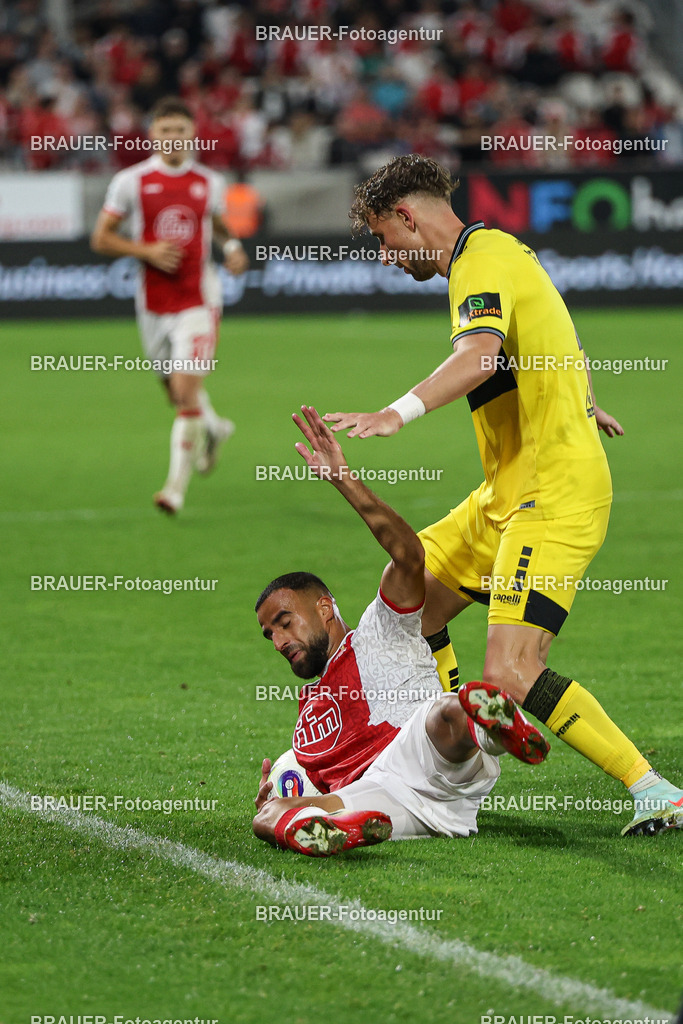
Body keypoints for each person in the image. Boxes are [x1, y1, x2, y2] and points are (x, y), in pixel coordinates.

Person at [323, 154, 682, 838]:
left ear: (406, 215)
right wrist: (582, 398)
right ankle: (456, 725)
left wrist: (396, 412)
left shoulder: (479, 263)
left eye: (382, 238)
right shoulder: (497, 253)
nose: (384, 256)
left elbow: (480, 355)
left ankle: (654, 789)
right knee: (411, 598)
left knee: (513, 670)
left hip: (552, 495)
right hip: (504, 493)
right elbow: (554, 329)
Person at [252, 406, 550, 858]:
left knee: (445, 714)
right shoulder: (307, 717)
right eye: (269, 635)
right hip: (385, 796)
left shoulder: (381, 627)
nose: (278, 642)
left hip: (426, 755)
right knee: (265, 818)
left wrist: (343, 479)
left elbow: (409, 557)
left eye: (284, 622)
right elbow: (303, 778)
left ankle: (495, 728)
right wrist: (276, 797)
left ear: (325, 607)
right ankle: (334, 829)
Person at [91, 96, 249, 514]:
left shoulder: (209, 182)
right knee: (175, 394)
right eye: (165, 130)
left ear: (192, 134)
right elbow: (101, 237)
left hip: (198, 301)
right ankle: (215, 429)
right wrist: (146, 250)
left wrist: (233, 247)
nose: (173, 138)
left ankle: (174, 490)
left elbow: (218, 223)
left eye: (180, 130)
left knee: (184, 392)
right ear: (152, 135)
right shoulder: (130, 181)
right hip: (152, 304)